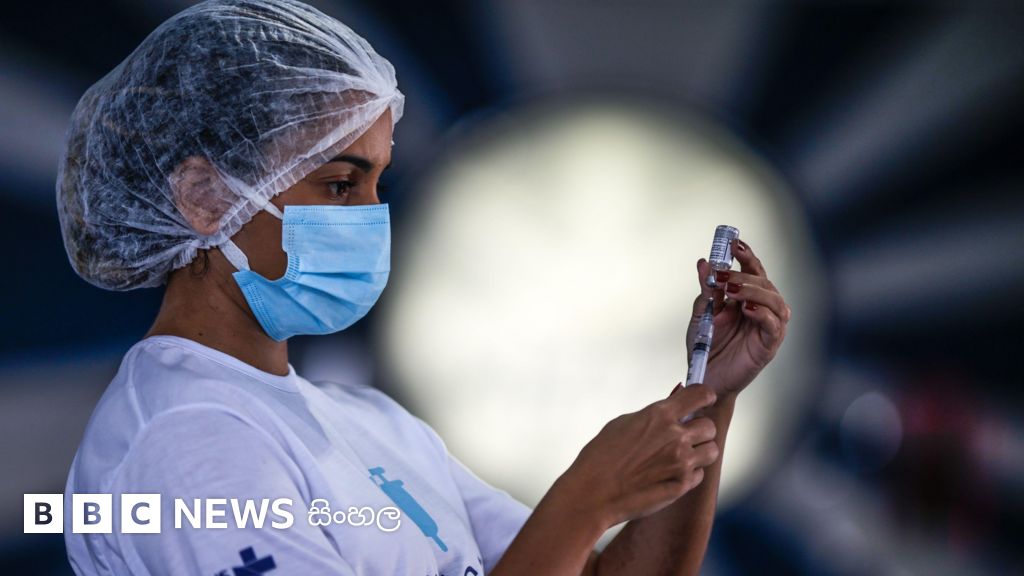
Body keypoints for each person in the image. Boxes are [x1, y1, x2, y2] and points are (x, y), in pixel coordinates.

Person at [57, 1, 790, 575]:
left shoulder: (369, 423)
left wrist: (711, 395)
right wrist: (588, 496)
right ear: (204, 196)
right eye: (339, 184)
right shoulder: (185, 439)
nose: (370, 217)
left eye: (378, 182)